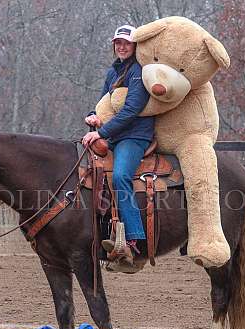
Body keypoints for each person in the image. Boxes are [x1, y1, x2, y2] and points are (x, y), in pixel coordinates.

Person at [82, 24, 155, 271]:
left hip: (134, 136)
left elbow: (131, 111)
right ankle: (101, 234)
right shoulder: (113, 73)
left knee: (121, 176)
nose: (121, 46)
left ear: (135, 46)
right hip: (114, 135)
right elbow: (102, 103)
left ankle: (134, 240)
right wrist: (93, 116)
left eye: (126, 43)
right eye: (118, 43)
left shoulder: (139, 72)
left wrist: (100, 133)